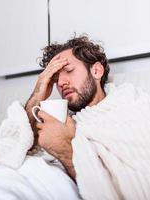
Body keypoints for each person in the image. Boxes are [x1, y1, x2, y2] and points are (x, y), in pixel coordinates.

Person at [24, 35, 110, 180]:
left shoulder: (127, 110)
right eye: (56, 79)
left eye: (69, 71)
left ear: (96, 71)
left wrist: (64, 149)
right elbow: (20, 143)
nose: (61, 83)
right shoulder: (61, 120)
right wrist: (38, 93)